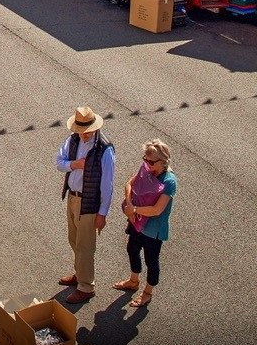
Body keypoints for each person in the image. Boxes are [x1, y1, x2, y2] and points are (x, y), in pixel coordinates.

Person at [55, 106, 115, 304]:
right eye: (81, 131)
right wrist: (75, 165)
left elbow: (107, 184)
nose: (84, 135)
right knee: (74, 239)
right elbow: (59, 163)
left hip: (89, 202)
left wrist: (102, 213)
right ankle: (79, 273)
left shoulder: (104, 149)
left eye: (87, 131)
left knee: (85, 246)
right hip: (73, 197)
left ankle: (86, 286)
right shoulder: (72, 140)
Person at [114, 139, 177, 309]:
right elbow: (129, 184)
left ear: (163, 162)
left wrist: (133, 210)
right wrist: (128, 204)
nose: (147, 164)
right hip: (137, 221)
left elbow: (157, 210)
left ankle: (148, 292)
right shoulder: (146, 170)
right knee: (132, 249)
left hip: (153, 229)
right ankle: (134, 280)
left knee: (151, 260)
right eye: (145, 160)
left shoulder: (169, 181)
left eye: (151, 162)